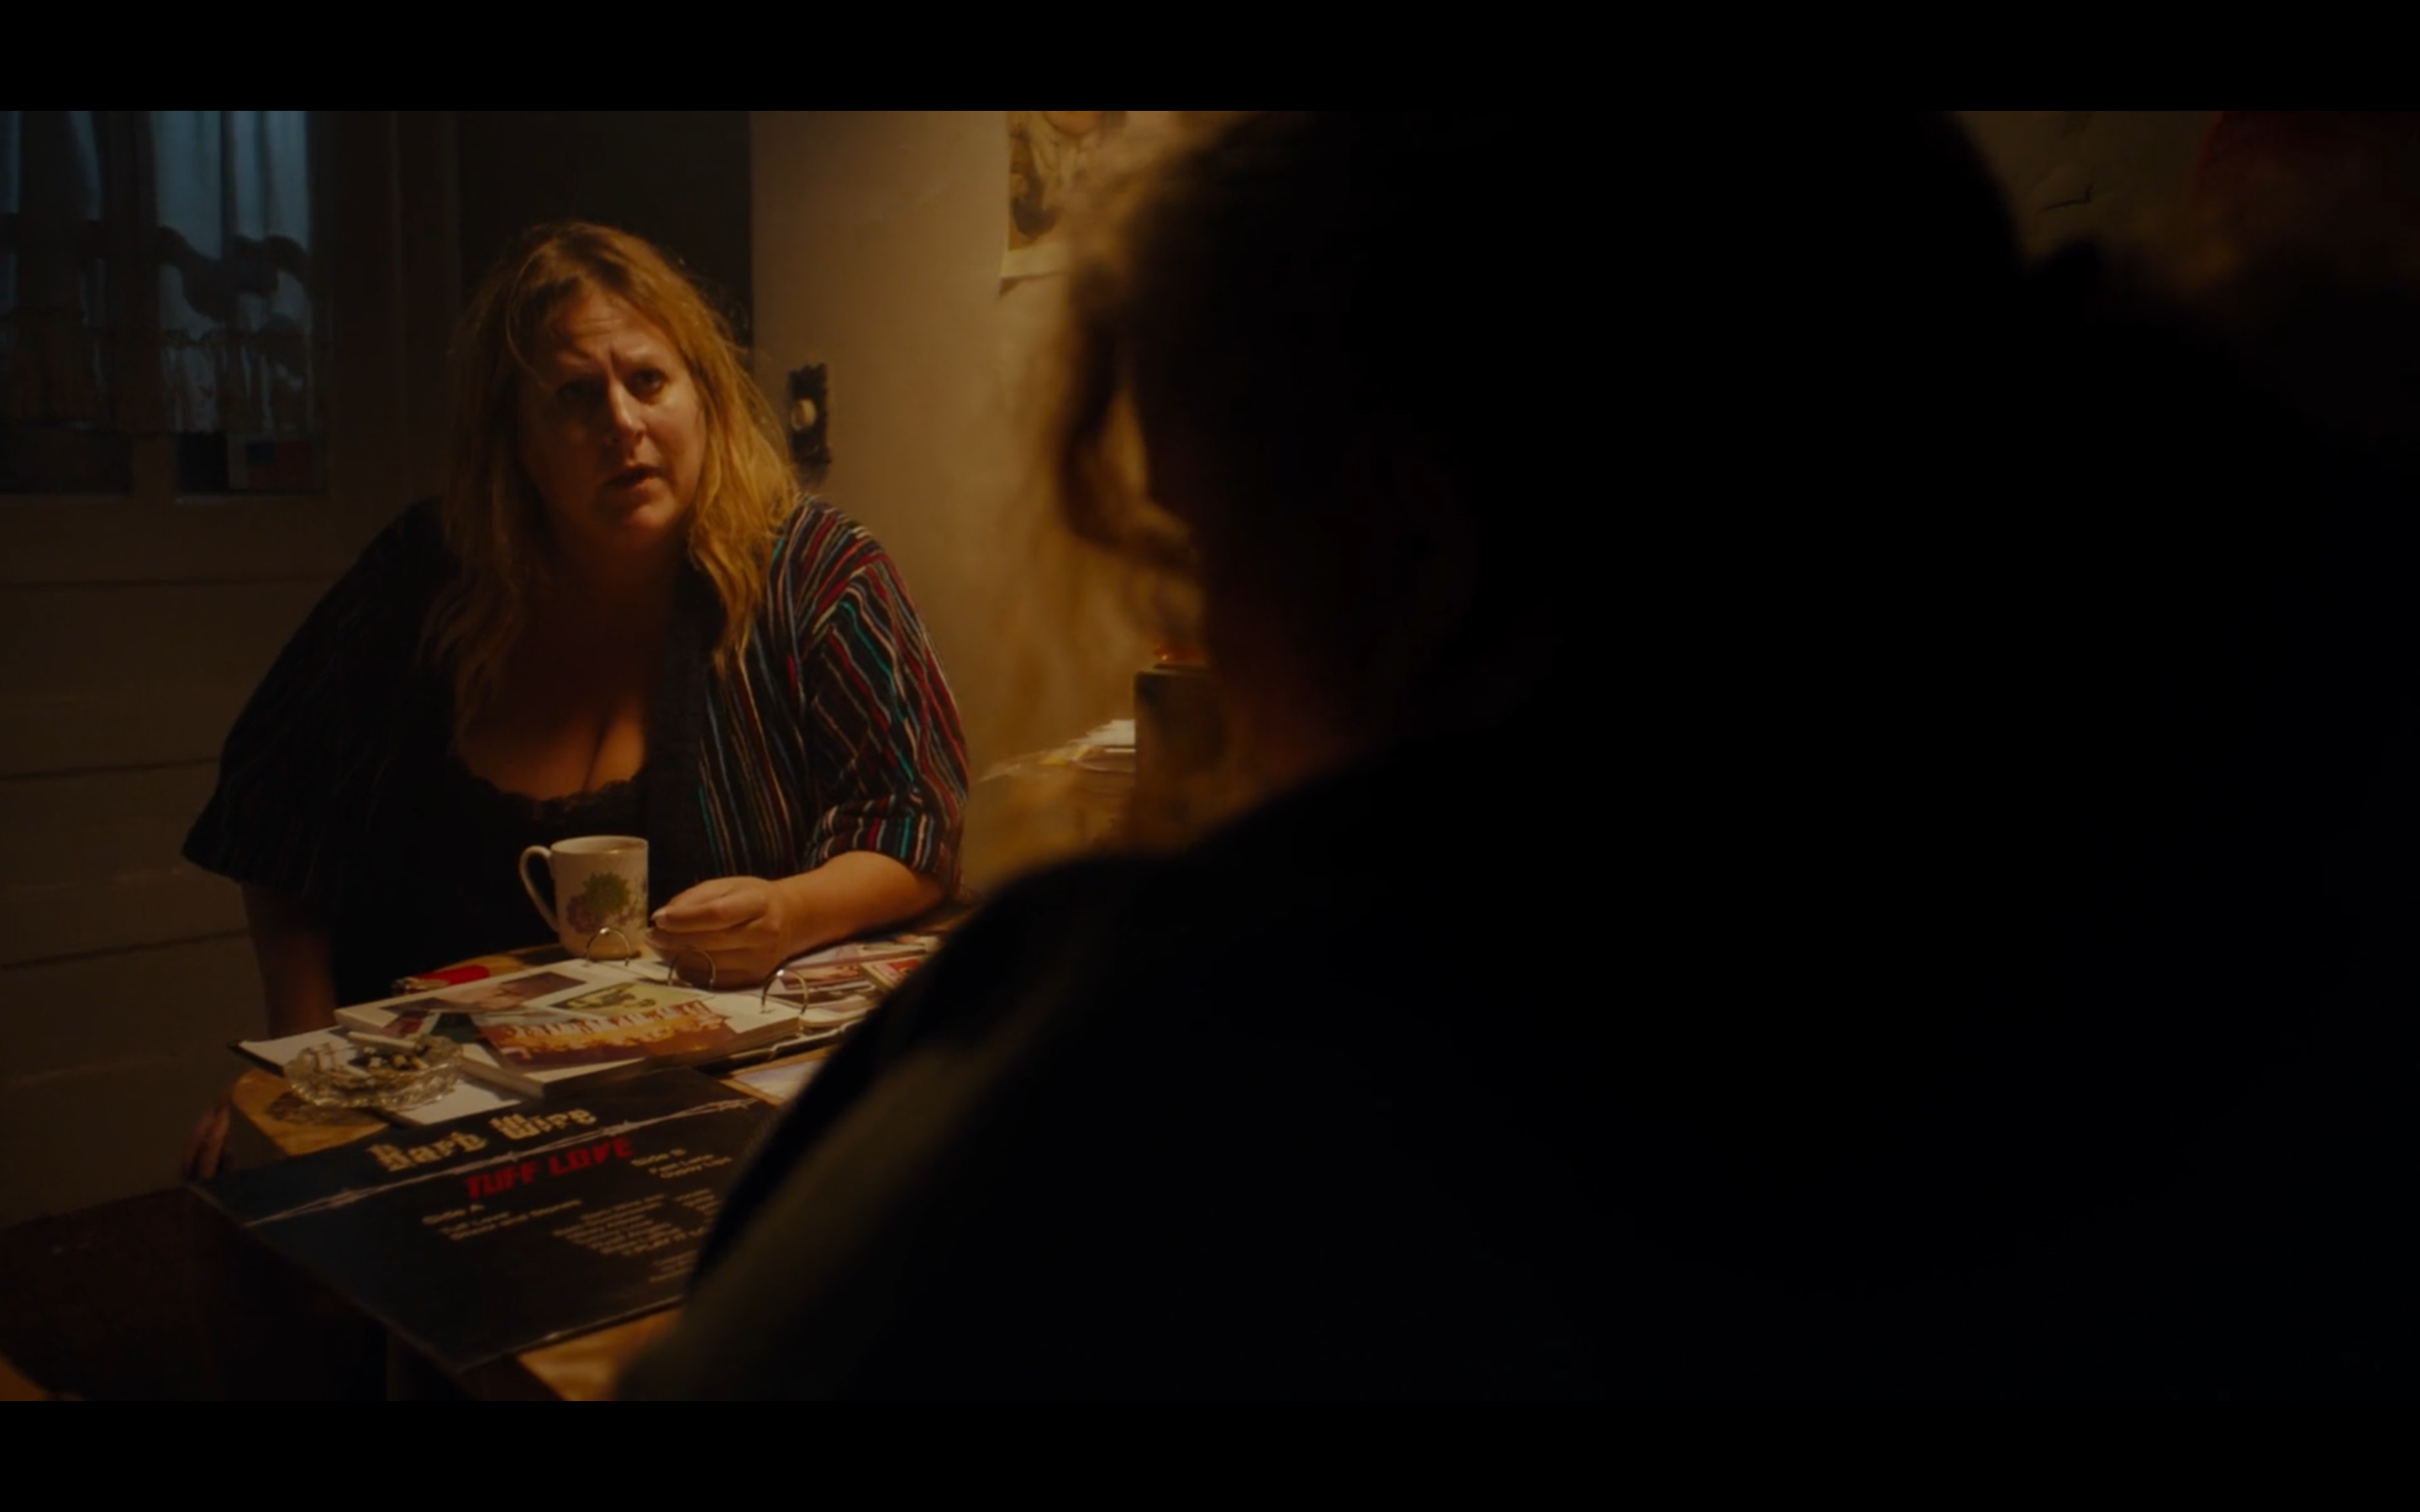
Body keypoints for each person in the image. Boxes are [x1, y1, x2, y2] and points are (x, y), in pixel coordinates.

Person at [620, 113, 2419, 1399]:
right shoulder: (2244, 886)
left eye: (1205, 565)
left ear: (1412, 548)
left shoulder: (1173, 1051)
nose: (1207, 649)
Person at [183, 223, 967, 1161]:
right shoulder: (424, 579)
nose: (622, 424)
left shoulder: (817, 576)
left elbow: (917, 822)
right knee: (238, 1182)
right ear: (512, 438)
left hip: (717, 1103)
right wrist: (306, 1063)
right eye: (574, 396)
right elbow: (277, 810)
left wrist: (793, 911)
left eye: (648, 381)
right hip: (431, 1099)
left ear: (705, 396)